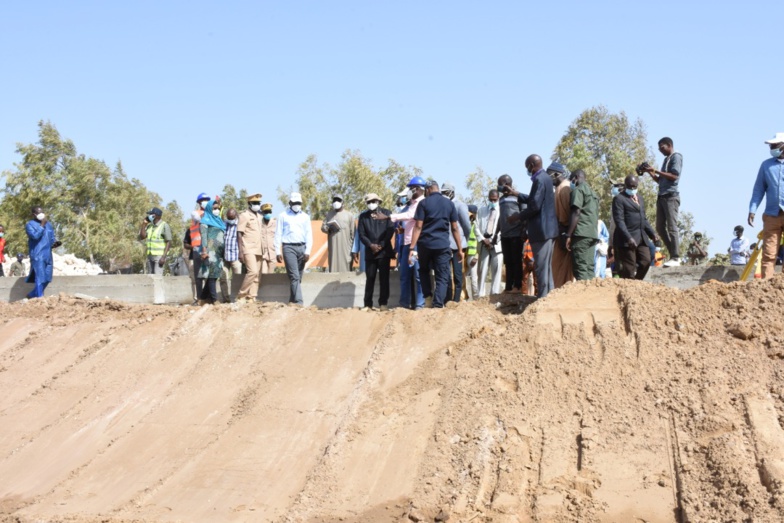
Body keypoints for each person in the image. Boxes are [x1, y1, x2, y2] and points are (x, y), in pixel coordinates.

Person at [509, 155, 559, 298]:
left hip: (541, 231)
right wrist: (516, 194)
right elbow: (534, 200)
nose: (527, 170)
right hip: (549, 230)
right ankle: (549, 299)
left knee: (541, 268)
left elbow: (535, 206)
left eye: (527, 167)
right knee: (546, 268)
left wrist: (518, 216)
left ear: (531, 165)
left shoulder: (539, 180)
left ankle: (542, 299)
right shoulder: (546, 178)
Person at [375, 177, 427, 310]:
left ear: (418, 189)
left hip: (416, 245)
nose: (409, 191)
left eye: (411, 188)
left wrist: (388, 217)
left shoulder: (422, 203)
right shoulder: (412, 204)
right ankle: (404, 304)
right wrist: (403, 230)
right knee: (404, 276)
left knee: (418, 275)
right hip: (406, 244)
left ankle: (420, 305)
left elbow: (411, 215)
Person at [408, 181, 462, 308]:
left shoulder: (423, 203)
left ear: (428, 190)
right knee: (442, 276)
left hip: (425, 245)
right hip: (442, 245)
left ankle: (427, 298)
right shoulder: (449, 204)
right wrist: (460, 249)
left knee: (423, 271)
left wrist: (412, 248)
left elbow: (418, 226)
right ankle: (437, 304)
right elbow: (455, 228)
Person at [748, 132, 784, 278]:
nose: (772, 148)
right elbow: (759, 189)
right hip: (772, 215)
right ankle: (766, 284)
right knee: (769, 253)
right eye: (771, 145)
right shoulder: (766, 165)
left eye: (775, 145)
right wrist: (752, 210)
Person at [643, 137, 682, 267]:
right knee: (659, 227)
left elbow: (674, 176)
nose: (660, 150)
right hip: (661, 196)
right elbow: (660, 180)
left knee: (672, 227)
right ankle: (673, 253)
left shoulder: (676, 156)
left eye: (662, 148)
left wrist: (655, 170)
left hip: (671, 196)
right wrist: (650, 172)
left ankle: (676, 257)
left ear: (669, 145)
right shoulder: (666, 159)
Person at [612, 175, 658, 279]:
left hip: (641, 237)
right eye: (630, 186)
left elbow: (643, 219)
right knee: (629, 268)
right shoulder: (619, 199)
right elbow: (619, 221)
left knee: (646, 261)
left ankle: (636, 283)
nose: (632, 189)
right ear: (625, 185)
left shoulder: (640, 198)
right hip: (626, 240)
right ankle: (629, 285)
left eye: (634, 186)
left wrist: (652, 234)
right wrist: (628, 238)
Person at [357, 193, 395, 310]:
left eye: (373, 201)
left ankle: (383, 303)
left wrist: (381, 244)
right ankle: (367, 304)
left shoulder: (387, 213)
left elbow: (390, 230)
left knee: (384, 279)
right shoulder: (363, 217)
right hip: (370, 252)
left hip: (384, 252)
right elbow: (362, 234)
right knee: (370, 278)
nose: (371, 204)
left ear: (378, 202)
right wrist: (370, 245)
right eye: (368, 202)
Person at [275, 192, 312, 305]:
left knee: (298, 277)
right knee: (294, 276)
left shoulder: (305, 217)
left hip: (302, 247)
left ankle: (292, 301)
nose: (297, 205)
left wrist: (307, 251)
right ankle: (299, 302)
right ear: (290, 203)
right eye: (295, 203)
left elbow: (309, 235)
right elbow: (278, 234)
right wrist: (277, 251)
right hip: (288, 247)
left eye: (299, 203)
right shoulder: (283, 216)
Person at [565, 169, 599, 280]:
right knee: (589, 268)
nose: (571, 182)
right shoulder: (593, 193)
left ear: (575, 177)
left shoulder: (578, 190)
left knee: (580, 269)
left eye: (571, 179)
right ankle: (591, 291)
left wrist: (568, 235)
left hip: (581, 235)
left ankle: (585, 291)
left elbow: (576, 212)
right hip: (592, 234)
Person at [441, 183, 471, 303]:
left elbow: (467, 226)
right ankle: (447, 299)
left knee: (458, 274)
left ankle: (457, 299)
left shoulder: (460, 205)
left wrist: (464, 242)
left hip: (457, 245)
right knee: (446, 274)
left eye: (446, 192)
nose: (444, 194)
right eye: (443, 192)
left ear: (452, 192)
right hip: (444, 244)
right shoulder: (442, 204)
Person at [497, 174, 526, 293]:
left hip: (516, 234)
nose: (499, 187)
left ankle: (517, 286)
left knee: (516, 260)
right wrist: (496, 233)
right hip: (504, 235)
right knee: (507, 261)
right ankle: (508, 286)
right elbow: (501, 217)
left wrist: (523, 230)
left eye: (500, 184)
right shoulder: (501, 199)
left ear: (507, 184)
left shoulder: (518, 197)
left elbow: (524, 214)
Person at [25, 206, 60, 299]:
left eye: (42, 212)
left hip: (48, 254)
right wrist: (42, 225)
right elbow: (35, 236)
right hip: (38, 254)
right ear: (34, 214)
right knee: (40, 277)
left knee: (48, 278)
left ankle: (32, 294)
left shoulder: (49, 224)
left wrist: (55, 243)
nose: (41, 214)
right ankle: (40, 297)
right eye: (38, 213)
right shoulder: (30, 225)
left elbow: (52, 237)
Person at [196, 197, 226, 305]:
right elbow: (204, 237)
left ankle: (203, 298)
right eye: (214, 208)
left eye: (218, 208)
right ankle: (214, 299)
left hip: (219, 252)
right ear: (209, 209)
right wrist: (204, 251)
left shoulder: (219, 221)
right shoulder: (204, 222)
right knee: (212, 274)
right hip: (210, 251)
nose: (216, 210)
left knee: (215, 275)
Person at [236, 194, 265, 302]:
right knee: (252, 272)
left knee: (257, 275)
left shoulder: (260, 216)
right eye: (255, 203)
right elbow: (239, 233)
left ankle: (252, 297)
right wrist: (240, 252)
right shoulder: (244, 215)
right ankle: (241, 295)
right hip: (248, 248)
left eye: (258, 203)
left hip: (259, 248)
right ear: (249, 204)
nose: (257, 205)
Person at [549, 162, 573, 288]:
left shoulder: (565, 188)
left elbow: (570, 214)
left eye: (549, 175)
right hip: (559, 231)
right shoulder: (559, 188)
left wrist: (567, 234)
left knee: (565, 267)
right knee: (557, 265)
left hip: (565, 231)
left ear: (556, 174)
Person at [476, 189, 503, 296]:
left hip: (497, 245)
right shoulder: (481, 211)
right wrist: (483, 239)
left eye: (495, 200)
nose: (493, 202)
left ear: (498, 199)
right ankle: (480, 295)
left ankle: (495, 296)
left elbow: (503, 229)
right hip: (484, 244)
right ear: (488, 198)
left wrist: (493, 240)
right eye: (491, 199)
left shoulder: (502, 210)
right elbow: (476, 227)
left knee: (496, 271)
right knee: (482, 271)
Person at [321, 194, 355, 273]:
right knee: (333, 270)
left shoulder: (349, 215)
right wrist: (327, 228)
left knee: (346, 272)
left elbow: (353, 234)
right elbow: (323, 227)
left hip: (346, 249)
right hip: (333, 248)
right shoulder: (329, 215)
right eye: (334, 200)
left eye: (338, 200)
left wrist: (353, 250)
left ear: (342, 202)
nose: (336, 202)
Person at [189, 192, 211, 299]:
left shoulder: (211, 213)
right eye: (203, 200)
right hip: (197, 247)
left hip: (208, 247)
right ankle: (200, 298)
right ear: (199, 202)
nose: (205, 202)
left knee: (209, 274)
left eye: (207, 200)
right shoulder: (196, 214)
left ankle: (208, 297)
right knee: (198, 275)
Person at [138, 207, 172, 275]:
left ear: (155, 215)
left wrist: (163, 257)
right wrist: (144, 224)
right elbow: (142, 237)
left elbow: (168, 242)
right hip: (150, 256)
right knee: (150, 277)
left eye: (150, 214)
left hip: (159, 257)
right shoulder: (150, 226)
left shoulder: (164, 226)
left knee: (157, 277)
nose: (149, 216)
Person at [219, 208, 243, 303]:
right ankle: (226, 299)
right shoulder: (225, 224)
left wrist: (241, 254)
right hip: (225, 257)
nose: (230, 220)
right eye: (229, 218)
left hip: (236, 256)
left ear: (236, 216)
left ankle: (236, 298)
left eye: (232, 218)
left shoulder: (240, 225)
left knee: (237, 279)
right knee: (222, 278)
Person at [465, 204, 479, 299]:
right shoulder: (466, 224)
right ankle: (466, 297)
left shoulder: (476, 225)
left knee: (474, 278)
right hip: (465, 254)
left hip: (473, 255)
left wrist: (476, 256)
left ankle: (476, 298)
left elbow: (479, 241)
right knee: (464, 277)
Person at [259, 203, 277, 274]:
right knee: (263, 273)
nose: (268, 214)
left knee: (270, 276)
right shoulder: (259, 223)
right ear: (262, 213)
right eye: (266, 212)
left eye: (269, 212)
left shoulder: (275, 223)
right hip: (262, 253)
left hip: (273, 253)